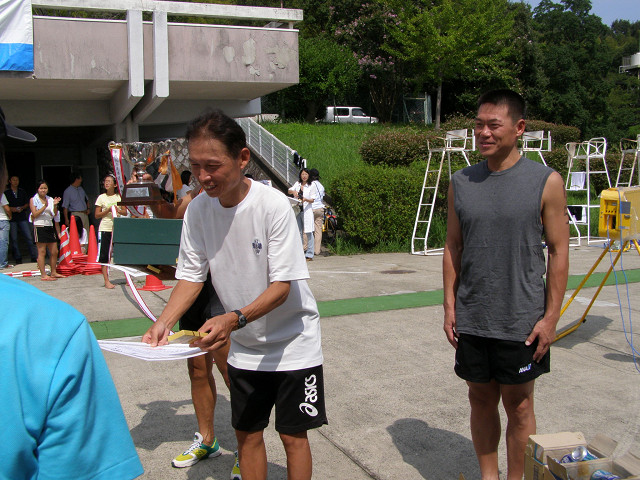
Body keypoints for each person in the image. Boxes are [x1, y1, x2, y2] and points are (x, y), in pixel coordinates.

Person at [143, 109, 327, 480]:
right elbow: (191, 276)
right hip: (245, 346)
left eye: (213, 165)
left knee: (293, 436)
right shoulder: (198, 210)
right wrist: (163, 321)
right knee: (247, 435)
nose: (203, 176)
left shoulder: (272, 205)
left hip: (294, 342)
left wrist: (234, 318)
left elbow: (282, 286)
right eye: (196, 166)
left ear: (243, 158)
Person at [0, 106, 143, 480]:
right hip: (92, 229)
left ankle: (87, 275)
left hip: (111, 230)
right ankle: (90, 277)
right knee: (92, 256)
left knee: (90, 255)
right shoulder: (54, 330)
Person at [442, 89, 569, 480]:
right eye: (478, 124)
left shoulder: (545, 181)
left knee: (520, 405)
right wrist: (449, 306)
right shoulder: (461, 181)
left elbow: (559, 251)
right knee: (479, 398)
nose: (484, 132)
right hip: (473, 315)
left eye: (493, 125)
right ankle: (489, 476)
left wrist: (551, 317)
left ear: (519, 128)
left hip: (522, 318)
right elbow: (452, 246)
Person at [142, 170, 236, 473]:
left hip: (221, 292)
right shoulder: (192, 200)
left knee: (230, 371)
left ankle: (246, 447)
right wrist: (149, 193)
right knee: (197, 370)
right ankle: (207, 440)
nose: (203, 173)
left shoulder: (231, 197)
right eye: (197, 166)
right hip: (191, 291)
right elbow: (170, 218)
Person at [94, 174, 126, 289]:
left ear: (115, 184)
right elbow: (97, 215)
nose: (106, 183)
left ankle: (127, 278)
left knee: (122, 254)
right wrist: (107, 210)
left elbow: (125, 212)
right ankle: (106, 280)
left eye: (109, 181)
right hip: (105, 228)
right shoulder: (101, 197)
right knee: (104, 255)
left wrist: (117, 210)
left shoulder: (119, 197)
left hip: (117, 228)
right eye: (105, 181)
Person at [30, 179, 64, 281]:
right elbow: (35, 214)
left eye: (45, 188)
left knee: (54, 251)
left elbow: (54, 214)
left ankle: (53, 271)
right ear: (37, 189)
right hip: (39, 226)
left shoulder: (50, 199)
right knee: (42, 251)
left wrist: (55, 205)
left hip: (49, 225)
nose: (43, 190)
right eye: (41, 188)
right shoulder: (33, 199)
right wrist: (44, 206)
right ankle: (43, 274)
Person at [4, 175, 38, 263]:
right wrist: (12, 209)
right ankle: (18, 258)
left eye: (17, 180)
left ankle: (34, 256)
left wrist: (22, 208)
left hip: (22, 216)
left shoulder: (22, 191)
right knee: (14, 239)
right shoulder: (6, 193)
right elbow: (5, 206)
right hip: (12, 218)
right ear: (10, 181)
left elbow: (27, 203)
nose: (15, 182)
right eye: (13, 180)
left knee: (29, 237)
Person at [288, 168, 315, 260]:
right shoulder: (297, 184)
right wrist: (294, 192)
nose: (304, 176)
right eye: (303, 174)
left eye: (306, 174)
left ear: (309, 175)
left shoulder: (311, 185)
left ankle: (310, 254)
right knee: (298, 231)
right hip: (298, 210)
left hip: (306, 210)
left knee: (308, 232)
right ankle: (299, 252)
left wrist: (305, 199)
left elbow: (312, 199)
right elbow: (289, 190)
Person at [308, 168, 325, 256]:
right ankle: (317, 250)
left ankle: (305, 248)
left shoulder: (310, 185)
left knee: (307, 229)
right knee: (318, 230)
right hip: (320, 209)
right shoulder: (321, 186)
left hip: (311, 209)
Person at [0, 190, 11, 268]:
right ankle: (2, 263)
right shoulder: (1, 194)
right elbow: (7, 208)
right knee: (3, 242)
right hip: (2, 219)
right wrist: (10, 215)